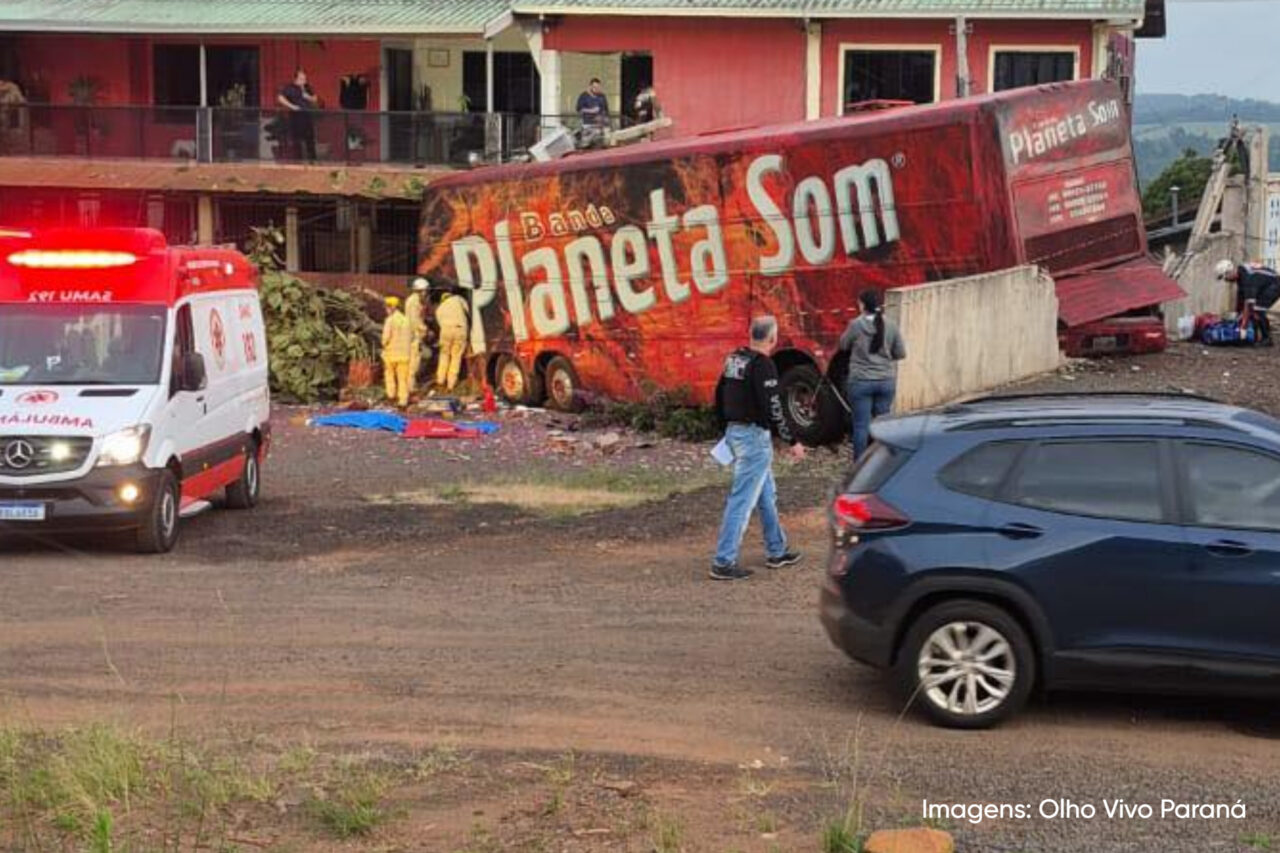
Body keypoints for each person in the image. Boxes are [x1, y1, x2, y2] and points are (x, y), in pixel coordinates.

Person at [710, 315, 805, 581]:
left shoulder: (735, 359)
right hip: (753, 439)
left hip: (736, 431)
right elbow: (774, 407)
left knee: (765, 495)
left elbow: (719, 394)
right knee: (742, 500)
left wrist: (725, 429)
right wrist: (792, 441)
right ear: (772, 339)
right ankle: (723, 561)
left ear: (751, 334)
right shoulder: (764, 365)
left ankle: (777, 550)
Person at [839, 289, 907, 462]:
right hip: (885, 382)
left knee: (861, 425)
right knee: (883, 424)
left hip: (860, 382)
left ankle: (860, 467)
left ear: (862, 305)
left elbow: (843, 345)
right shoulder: (891, 325)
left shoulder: (855, 325)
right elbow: (901, 353)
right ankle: (883, 462)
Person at [1217, 259, 1280, 344]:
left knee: (1258, 309)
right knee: (1253, 310)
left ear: (1229, 272)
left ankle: (1267, 338)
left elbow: (1249, 304)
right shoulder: (1241, 273)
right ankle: (1254, 336)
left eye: (1225, 277)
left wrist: (1243, 327)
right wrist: (1238, 314)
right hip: (1267, 284)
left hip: (1275, 284)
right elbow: (1241, 297)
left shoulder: (1248, 278)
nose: (1226, 281)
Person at [434, 284, 469, 393]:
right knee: (456, 357)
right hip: (460, 329)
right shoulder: (458, 299)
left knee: (444, 355)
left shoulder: (439, 308)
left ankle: (440, 381)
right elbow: (468, 311)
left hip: (445, 331)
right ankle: (451, 384)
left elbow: (439, 324)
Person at [277, 69, 318, 161]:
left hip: (307, 116)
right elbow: (280, 98)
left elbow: (315, 99)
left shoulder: (307, 87)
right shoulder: (289, 87)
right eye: (301, 79)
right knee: (297, 140)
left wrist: (308, 97)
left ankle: (312, 160)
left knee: (310, 139)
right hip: (296, 117)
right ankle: (298, 161)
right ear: (296, 79)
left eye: (305, 79)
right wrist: (292, 106)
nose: (304, 81)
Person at [381, 296, 413, 408]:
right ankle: (403, 401)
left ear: (391, 307)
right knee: (402, 378)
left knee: (389, 375)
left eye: (386, 307)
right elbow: (411, 337)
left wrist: (383, 345)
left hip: (391, 354)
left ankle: (391, 395)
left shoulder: (389, 320)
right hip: (404, 355)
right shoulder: (406, 320)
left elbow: (385, 338)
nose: (386, 310)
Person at [405, 277, 430, 394]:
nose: (426, 293)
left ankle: (411, 384)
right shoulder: (414, 302)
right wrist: (425, 330)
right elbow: (415, 320)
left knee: (420, 358)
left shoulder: (414, 301)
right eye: (425, 291)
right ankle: (410, 387)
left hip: (413, 335)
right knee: (414, 362)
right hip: (414, 336)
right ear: (421, 290)